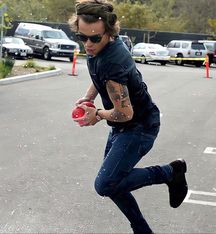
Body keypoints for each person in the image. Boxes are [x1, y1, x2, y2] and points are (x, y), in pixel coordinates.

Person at [69, 0, 188, 233]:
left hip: (139, 126)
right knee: (114, 184)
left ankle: (171, 172)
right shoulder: (103, 46)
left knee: (105, 184)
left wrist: (97, 115)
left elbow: (124, 112)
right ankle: (142, 230)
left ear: (108, 33)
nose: (88, 44)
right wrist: (88, 98)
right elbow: (97, 75)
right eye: (82, 37)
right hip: (123, 127)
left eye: (94, 39)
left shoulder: (113, 62)